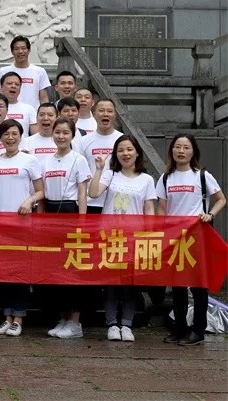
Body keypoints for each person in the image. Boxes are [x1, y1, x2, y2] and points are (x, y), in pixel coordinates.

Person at [156, 134, 226, 346]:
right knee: (177, 285)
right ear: (172, 151)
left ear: (193, 151)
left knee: (198, 285)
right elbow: (161, 208)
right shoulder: (166, 178)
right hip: (175, 237)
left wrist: (210, 215)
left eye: (186, 147)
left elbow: (221, 199)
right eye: (177, 147)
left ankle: (198, 330)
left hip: (197, 235)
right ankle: (179, 329)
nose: (181, 151)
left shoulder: (202, 176)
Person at [89, 134, 157, 342]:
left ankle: (127, 324)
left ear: (137, 152)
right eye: (120, 150)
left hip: (134, 239)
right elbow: (93, 193)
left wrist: (149, 236)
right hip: (110, 238)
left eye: (129, 149)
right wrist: (99, 170)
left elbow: (149, 210)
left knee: (130, 284)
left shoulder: (146, 180)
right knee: (111, 283)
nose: (125, 154)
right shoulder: (110, 175)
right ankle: (111, 324)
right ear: (115, 155)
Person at [0, 119, 43, 337]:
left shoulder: (30, 160)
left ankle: (18, 318)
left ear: (21, 137)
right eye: (6, 134)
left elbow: (41, 191)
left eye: (14, 134)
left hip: (21, 223)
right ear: (0, 138)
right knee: (3, 272)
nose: (10, 138)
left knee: (20, 272)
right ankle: (6, 318)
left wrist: (29, 201)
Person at [42, 117, 91, 339]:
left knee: (73, 269)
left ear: (72, 135)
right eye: (58, 132)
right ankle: (62, 318)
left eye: (65, 133)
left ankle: (75, 322)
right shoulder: (45, 161)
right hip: (51, 215)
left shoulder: (79, 160)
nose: (61, 136)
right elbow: (43, 194)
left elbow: (82, 194)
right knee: (55, 270)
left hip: (71, 212)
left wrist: (82, 222)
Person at [77, 99, 123, 214]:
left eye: (110, 111)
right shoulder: (84, 141)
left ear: (115, 115)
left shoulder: (122, 140)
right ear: (94, 114)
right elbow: (79, 172)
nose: (105, 114)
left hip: (116, 202)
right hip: (89, 202)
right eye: (101, 110)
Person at [0, 36, 50, 108]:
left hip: (33, 113)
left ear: (29, 50)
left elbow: (44, 99)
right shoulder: (3, 71)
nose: (20, 51)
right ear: (12, 52)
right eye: (16, 49)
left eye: (23, 48)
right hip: (9, 112)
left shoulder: (40, 71)